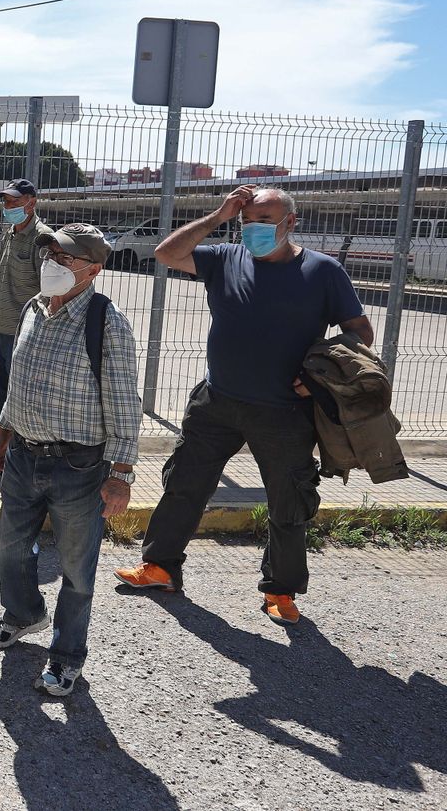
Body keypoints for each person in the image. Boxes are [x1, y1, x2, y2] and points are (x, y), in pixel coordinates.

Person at [115, 186, 372, 625]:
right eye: (246, 221)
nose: (253, 230)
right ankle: (160, 567)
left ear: (290, 222)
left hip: (284, 412)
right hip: (217, 401)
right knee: (184, 484)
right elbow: (167, 253)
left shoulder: (322, 271)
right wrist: (219, 216)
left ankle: (280, 589)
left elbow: (359, 333)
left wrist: (320, 376)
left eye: (264, 221)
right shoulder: (225, 258)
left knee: (288, 501)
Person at [0, 224, 139, 696]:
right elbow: (19, 380)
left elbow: (123, 403)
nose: (51, 263)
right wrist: (3, 430)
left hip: (79, 468)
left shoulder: (106, 322)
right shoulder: (33, 308)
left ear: (93, 269)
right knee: (7, 549)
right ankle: (24, 613)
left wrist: (121, 474)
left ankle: (67, 656)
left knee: (76, 570)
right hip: (23, 458)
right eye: (49, 255)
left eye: (64, 258)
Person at [0, 179, 54, 463]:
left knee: (19, 393)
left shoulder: (43, 240)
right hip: (3, 328)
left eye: (14, 201)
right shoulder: (9, 235)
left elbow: (51, 290)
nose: (8, 206)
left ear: (31, 203)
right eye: (5, 202)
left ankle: (18, 455)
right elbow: (2, 279)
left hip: (26, 333)